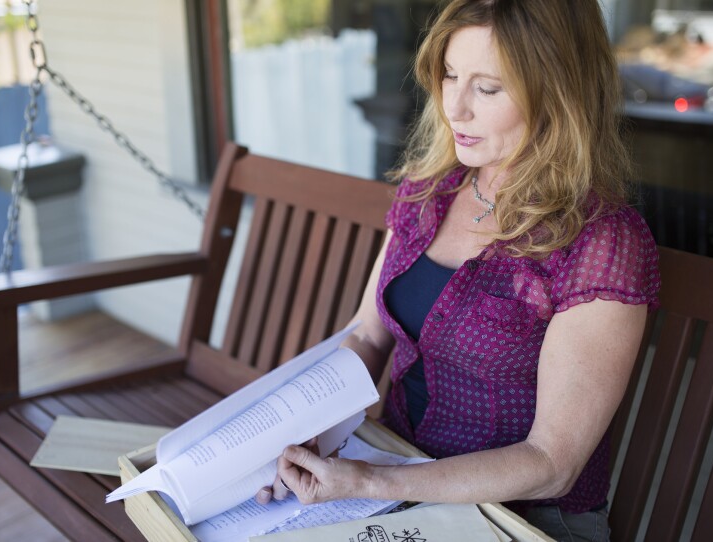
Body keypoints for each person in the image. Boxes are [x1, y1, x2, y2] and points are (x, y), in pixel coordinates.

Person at [257, 1, 660, 540]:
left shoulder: (601, 240)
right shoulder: (431, 190)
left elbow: (551, 463)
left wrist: (372, 482)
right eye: (449, 76)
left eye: (487, 88)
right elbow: (367, 333)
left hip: (519, 517)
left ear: (557, 92)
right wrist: (309, 434)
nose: (455, 108)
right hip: (393, 474)